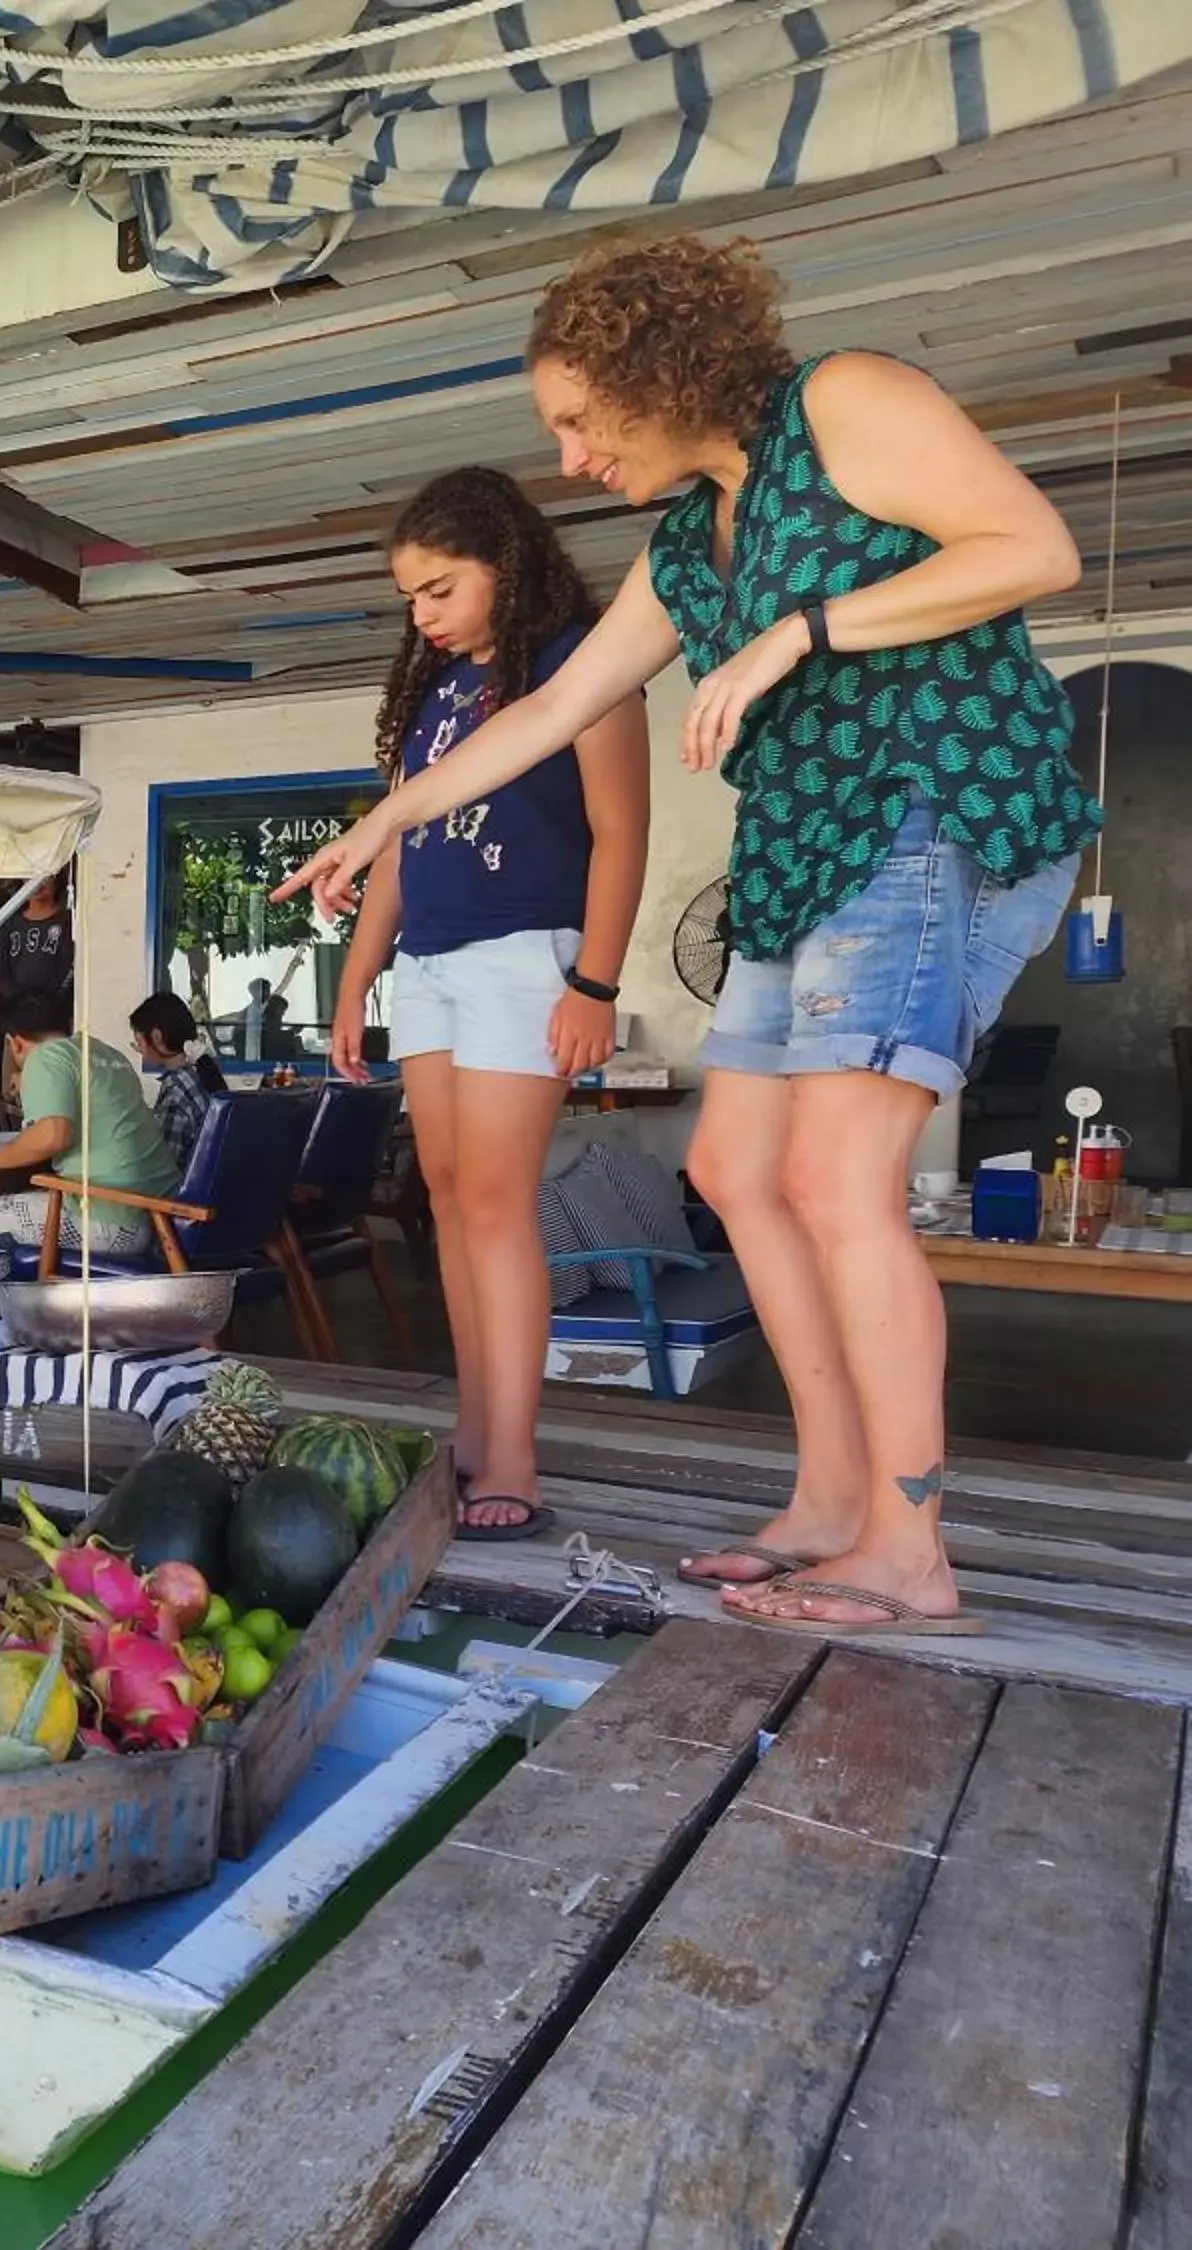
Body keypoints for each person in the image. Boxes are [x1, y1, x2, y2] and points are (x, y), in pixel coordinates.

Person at [279, 234, 1094, 1634]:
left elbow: (1035, 549)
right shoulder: (680, 547)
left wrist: (800, 633)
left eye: (580, 419)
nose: (574, 455)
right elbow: (545, 715)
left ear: (662, 371)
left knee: (842, 1179)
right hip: (804, 848)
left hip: (929, 804)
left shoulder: (845, 403)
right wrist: (379, 823)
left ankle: (911, 1545)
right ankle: (833, 1498)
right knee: (733, 1163)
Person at [325, 465, 652, 1540]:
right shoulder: (434, 693)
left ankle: (513, 1451)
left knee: (501, 1205)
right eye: (409, 598)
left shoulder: (578, 665)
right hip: (430, 964)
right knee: (451, 1196)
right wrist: (354, 979)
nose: (420, 616)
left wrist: (595, 981)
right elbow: (401, 845)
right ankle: (473, 1424)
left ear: (504, 568)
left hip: (528, 957)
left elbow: (620, 831)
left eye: (439, 590)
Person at [0, 988, 176, 1297]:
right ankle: (45, 1315)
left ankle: (27, 1319)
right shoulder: (103, 1053)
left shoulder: (45, 1057)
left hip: (106, 1219)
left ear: (14, 1043)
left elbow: (53, 1134)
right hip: (155, 1217)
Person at [0, 872, 75, 1122]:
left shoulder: (67, 921)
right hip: (17, 1021)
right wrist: (19, 1004)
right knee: (13, 1092)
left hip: (51, 1021)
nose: (38, 886)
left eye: (44, 878)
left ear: (57, 880)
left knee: (51, 1085)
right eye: (31, 879)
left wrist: (46, 1002)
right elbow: (0, 970)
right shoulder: (11, 924)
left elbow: (70, 966)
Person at [129, 991, 227, 1173]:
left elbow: (164, 1164)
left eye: (139, 1042)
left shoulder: (176, 1090)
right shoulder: (200, 1072)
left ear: (157, 1037)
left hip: (181, 1196)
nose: (138, 1050)